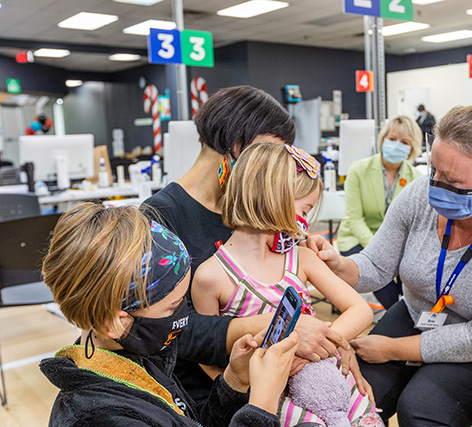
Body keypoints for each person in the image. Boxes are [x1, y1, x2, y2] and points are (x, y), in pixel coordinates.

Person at [306, 91, 472, 426]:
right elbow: (376, 266)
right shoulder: (417, 196)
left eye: (453, 182)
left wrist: (391, 349)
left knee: (422, 409)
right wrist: (337, 265)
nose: (436, 187)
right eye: (433, 172)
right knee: (350, 397)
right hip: (420, 314)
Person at [144, 86, 352, 406]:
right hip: (206, 389)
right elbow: (167, 327)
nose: (276, 170)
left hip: (283, 374)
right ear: (236, 143)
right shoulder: (159, 217)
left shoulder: (257, 211)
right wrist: (281, 330)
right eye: (269, 154)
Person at [39, 202, 299, 426]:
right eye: (173, 308)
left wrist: (234, 381)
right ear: (116, 323)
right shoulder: (101, 417)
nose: (183, 315)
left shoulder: (137, 358)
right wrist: (262, 406)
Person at [192, 143, 383, 427]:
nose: (304, 222)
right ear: (274, 198)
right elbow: (208, 356)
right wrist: (255, 379)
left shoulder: (300, 257)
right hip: (269, 400)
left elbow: (360, 309)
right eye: (303, 209)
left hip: (325, 376)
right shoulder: (211, 276)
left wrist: (316, 347)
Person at [337, 115, 423, 309]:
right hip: (357, 239)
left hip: (397, 243)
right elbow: (354, 219)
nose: (396, 145)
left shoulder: (416, 178)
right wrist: (380, 248)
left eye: (404, 142)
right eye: (392, 139)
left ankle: (409, 315)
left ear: (412, 147)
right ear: (382, 139)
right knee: (382, 282)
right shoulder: (359, 170)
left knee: (411, 276)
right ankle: (396, 312)